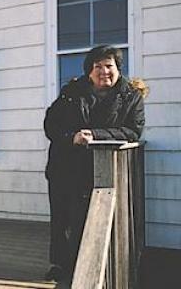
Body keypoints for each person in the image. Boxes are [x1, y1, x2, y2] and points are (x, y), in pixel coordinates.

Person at [43, 45, 146, 282]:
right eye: (97, 66)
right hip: (64, 165)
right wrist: (72, 137)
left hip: (100, 171)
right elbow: (51, 124)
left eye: (109, 65)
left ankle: (79, 269)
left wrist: (95, 134)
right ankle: (59, 265)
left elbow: (133, 131)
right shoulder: (71, 91)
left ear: (118, 68)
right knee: (61, 219)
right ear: (89, 71)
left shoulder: (131, 96)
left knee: (85, 220)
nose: (104, 71)